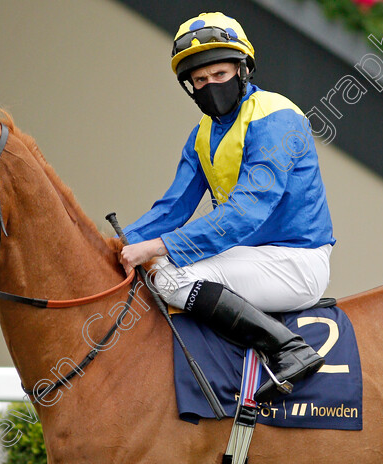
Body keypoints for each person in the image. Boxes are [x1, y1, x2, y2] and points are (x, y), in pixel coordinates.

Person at [119, 12, 335, 403]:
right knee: (155, 267)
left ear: (242, 68)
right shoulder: (202, 134)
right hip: (249, 257)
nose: (209, 85)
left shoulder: (276, 116)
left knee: (167, 278)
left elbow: (248, 210)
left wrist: (156, 246)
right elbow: (171, 208)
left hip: (297, 261)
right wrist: (117, 244)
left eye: (218, 74)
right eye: (199, 80)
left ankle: (289, 349)